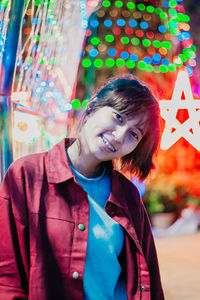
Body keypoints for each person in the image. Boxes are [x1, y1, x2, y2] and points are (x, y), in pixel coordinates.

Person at [0, 75, 164, 300]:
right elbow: (7, 278)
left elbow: (150, 282)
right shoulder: (26, 176)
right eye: (118, 117)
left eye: (133, 134)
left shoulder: (128, 196)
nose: (118, 136)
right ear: (94, 105)